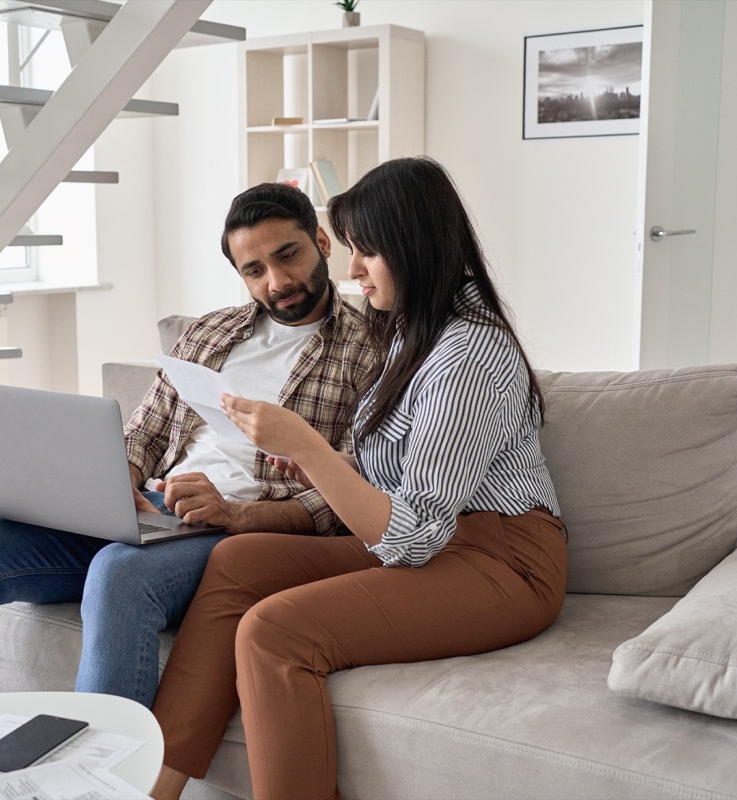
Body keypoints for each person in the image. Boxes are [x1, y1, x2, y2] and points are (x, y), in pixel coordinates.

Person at [149, 157, 568, 800]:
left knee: (274, 631)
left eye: (366, 253)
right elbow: (384, 477)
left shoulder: (470, 353)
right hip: (440, 541)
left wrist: (308, 448)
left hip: (502, 562)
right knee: (237, 562)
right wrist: (299, 463)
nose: (351, 271)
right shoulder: (415, 332)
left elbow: (414, 537)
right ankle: (156, 788)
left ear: (413, 247)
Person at [0, 182, 377, 710]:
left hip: (238, 532)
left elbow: (345, 497)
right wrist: (113, 478)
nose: (277, 282)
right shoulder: (209, 333)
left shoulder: (370, 350)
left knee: (118, 573)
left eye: (289, 256)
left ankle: (107, 780)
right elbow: (142, 435)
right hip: (152, 511)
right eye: (254, 270)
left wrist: (233, 514)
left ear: (323, 243)